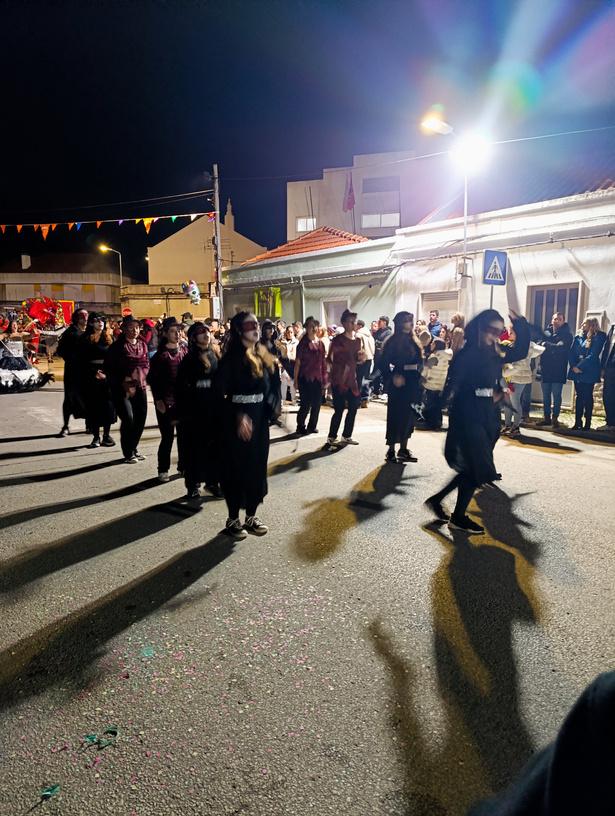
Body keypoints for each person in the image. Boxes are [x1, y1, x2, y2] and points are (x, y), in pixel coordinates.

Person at [425, 309, 530, 534]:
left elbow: (520, 351)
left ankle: (438, 500)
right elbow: (455, 385)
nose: (494, 335)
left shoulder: (494, 351)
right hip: (468, 416)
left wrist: (520, 324)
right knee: (476, 468)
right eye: (491, 329)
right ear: (480, 328)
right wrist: (435, 406)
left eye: (499, 331)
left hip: (486, 416)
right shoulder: (469, 353)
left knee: (473, 468)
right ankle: (457, 517)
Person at [217, 311, 279, 539]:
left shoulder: (262, 353)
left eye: (256, 324)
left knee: (257, 466)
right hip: (238, 422)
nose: (256, 328)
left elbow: (272, 384)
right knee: (237, 468)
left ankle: (251, 516)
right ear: (238, 330)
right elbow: (219, 393)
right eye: (249, 325)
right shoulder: (230, 359)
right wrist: (238, 415)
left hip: (259, 419)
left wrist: (274, 406)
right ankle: (233, 518)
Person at [176, 322, 222, 498]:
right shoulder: (189, 359)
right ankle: (192, 485)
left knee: (214, 448)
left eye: (207, 331)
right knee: (194, 449)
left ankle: (213, 482)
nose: (206, 334)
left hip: (214, 409)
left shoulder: (215, 354)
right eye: (201, 332)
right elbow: (181, 387)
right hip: (195, 411)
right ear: (194, 338)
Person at [105, 314, 150, 463]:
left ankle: (134, 448)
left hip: (140, 386)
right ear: (124, 329)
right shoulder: (117, 347)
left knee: (140, 419)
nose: (135, 330)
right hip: (122, 388)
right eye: (131, 327)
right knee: (128, 419)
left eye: (137, 327)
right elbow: (110, 368)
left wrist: (141, 376)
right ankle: (128, 452)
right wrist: (123, 380)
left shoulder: (143, 344)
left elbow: (146, 363)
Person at [147, 317, 188, 481]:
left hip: (183, 402)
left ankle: (183, 465)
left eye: (179, 330)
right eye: (173, 331)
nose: (177, 334)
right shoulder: (160, 356)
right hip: (166, 402)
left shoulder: (185, 351)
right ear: (165, 333)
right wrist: (158, 400)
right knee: (167, 437)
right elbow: (153, 380)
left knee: (184, 437)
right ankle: (163, 469)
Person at [380, 311, 423, 462]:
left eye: (411, 320)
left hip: (412, 382)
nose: (410, 323)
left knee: (409, 417)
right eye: (406, 320)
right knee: (395, 416)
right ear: (399, 323)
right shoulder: (392, 341)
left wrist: (423, 369)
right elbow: (383, 363)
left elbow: (418, 361)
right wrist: (392, 377)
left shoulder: (414, 340)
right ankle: (391, 450)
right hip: (398, 382)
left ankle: (403, 449)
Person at [325, 309, 366, 449]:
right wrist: (329, 378)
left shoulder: (358, 340)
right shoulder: (338, 340)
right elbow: (330, 359)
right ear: (343, 323)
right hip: (339, 379)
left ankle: (347, 435)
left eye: (355, 321)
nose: (354, 324)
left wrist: (361, 358)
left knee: (354, 407)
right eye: (351, 321)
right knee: (339, 409)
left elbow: (358, 360)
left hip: (352, 380)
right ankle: (331, 437)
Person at [77, 313, 116, 448]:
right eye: (97, 321)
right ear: (91, 323)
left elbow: (114, 358)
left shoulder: (110, 338)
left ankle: (106, 435)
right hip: (91, 376)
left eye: (102, 321)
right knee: (94, 407)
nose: (100, 323)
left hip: (107, 376)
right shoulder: (85, 338)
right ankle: (96, 437)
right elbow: (81, 359)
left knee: (108, 407)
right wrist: (93, 372)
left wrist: (108, 374)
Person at [501, 327, 545, 437]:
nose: (509, 334)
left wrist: (505, 372)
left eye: (511, 332)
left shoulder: (525, 346)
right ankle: (507, 425)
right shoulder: (512, 344)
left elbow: (520, 364)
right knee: (508, 403)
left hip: (519, 378)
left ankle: (516, 427)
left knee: (515, 402)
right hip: (509, 378)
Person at [568, 317, 607, 430]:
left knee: (587, 396)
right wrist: (573, 366)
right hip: (577, 370)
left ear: (591, 325)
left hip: (589, 370)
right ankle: (577, 422)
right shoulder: (578, 337)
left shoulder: (599, 337)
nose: (582, 325)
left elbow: (593, 355)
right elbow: (571, 353)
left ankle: (587, 423)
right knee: (579, 396)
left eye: (584, 323)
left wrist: (579, 367)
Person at [536, 312, 573, 428]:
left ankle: (555, 418)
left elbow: (561, 348)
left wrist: (546, 344)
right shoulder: (545, 333)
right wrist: (548, 345)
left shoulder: (567, 335)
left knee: (556, 395)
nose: (556, 321)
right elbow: (538, 344)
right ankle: (546, 418)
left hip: (558, 370)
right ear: (552, 320)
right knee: (546, 396)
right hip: (545, 369)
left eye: (559, 319)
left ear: (563, 321)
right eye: (555, 319)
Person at [56, 308, 88, 436]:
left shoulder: (91, 332)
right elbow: (61, 350)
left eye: (86, 316)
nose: (85, 319)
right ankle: (65, 425)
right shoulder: (70, 332)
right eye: (82, 317)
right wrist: (72, 358)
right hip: (73, 369)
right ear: (77, 318)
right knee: (69, 397)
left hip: (88, 370)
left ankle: (89, 424)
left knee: (88, 397)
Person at [294, 315, 327, 434]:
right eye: (310, 326)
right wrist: (295, 380)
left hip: (317, 378)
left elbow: (323, 363)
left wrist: (325, 379)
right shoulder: (302, 344)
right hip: (304, 378)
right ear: (306, 328)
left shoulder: (321, 344)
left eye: (315, 326)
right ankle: (300, 425)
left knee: (317, 404)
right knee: (305, 404)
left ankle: (312, 426)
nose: (313, 328)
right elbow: (298, 363)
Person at [422, 333, 453, 430]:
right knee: (437, 405)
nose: (431, 344)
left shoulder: (434, 356)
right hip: (440, 384)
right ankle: (437, 422)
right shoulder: (446, 356)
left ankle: (430, 423)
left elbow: (426, 370)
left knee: (429, 404)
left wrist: (422, 379)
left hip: (431, 384)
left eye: (433, 343)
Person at [372, 316, 393, 398]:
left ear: (385, 322)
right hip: (377, 356)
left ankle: (385, 392)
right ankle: (376, 391)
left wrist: (379, 343)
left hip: (385, 357)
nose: (378, 322)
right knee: (376, 374)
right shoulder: (378, 331)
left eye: (380, 321)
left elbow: (387, 343)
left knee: (385, 374)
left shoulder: (389, 332)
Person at [356, 319, 375, 407]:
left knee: (359, 380)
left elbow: (358, 348)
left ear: (359, 326)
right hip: (370, 359)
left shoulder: (359, 335)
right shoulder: (370, 336)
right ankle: (365, 399)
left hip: (361, 360)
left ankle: (357, 401)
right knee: (366, 379)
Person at [599, 322, 615, 431]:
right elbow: (607, 348)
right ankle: (609, 422)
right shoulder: (612, 328)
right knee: (607, 395)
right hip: (608, 368)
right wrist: (602, 367)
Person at [278, 325, 298, 404]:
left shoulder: (296, 342)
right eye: (288, 332)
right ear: (286, 333)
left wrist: (287, 347)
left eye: (291, 332)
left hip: (293, 364)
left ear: (293, 333)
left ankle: (294, 400)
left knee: (292, 383)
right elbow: (280, 354)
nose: (290, 334)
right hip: (284, 364)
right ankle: (283, 400)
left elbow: (295, 355)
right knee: (284, 383)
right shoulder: (281, 342)